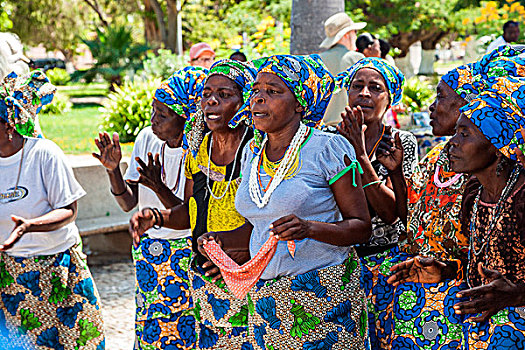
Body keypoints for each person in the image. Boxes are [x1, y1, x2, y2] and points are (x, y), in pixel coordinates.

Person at [195, 54, 372, 349]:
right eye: (256, 91)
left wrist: (310, 228)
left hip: (325, 296)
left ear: (300, 102)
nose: (258, 99)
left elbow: (361, 227)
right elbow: (264, 226)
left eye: (273, 92)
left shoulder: (327, 148)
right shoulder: (252, 151)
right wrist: (222, 241)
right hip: (268, 304)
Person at [384, 46, 525, 349]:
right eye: (456, 133)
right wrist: (446, 269)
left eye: (465, 135)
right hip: (485, 322)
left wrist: (516, 294)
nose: (452, 145)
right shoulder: (476, 194)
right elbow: (476, 264)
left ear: (498, 145)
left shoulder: (521, 197)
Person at [129, 59, 258, 349]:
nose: (211, 101)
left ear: (245, 102)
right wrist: (156, 217)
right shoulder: (200, 150)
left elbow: (272, 219)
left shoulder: (257, 151)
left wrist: (237, 257)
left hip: (249, 279)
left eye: (224, 95)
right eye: (207, 94)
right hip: (206, 279)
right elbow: (191, 211)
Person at [93, 67, 207, 349]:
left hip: (185, 252)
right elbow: (129, 203)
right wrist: (113, 171)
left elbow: (187, 216)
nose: (154, 121)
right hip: (150, 249)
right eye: (153, 111)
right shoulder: (147, 138)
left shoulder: (202, 148)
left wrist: (159, 188)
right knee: (150, 329)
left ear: (187, 118)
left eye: (163, 115)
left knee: (188, 331)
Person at [0, 71, 105, 348]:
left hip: (58, 268)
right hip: (12, 275)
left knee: (74, 342)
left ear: (9, 126)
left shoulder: (44, 153)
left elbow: (69, 209)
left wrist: (29, 226)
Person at [335, 57, 418, 349]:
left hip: (386, 265)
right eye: (357, 86)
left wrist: (359, 152)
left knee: (385, 339)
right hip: (339, 264)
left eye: (375, 88)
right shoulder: (330, 140)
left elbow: (392, 212)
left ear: (389, 97)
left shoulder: (399, 141)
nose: (365, 94)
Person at [319, 12, 366, 126]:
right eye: (354, 32)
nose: (355, 36)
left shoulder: (318, 60)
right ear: (346, 35)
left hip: (322, 130)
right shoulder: (356, 58)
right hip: (349, 128)